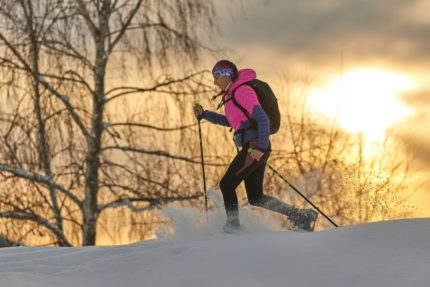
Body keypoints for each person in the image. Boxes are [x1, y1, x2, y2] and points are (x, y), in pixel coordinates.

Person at [194, 60, 318, 232]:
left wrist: (260, 148)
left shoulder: (243, 91)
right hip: (254, 146)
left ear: (226, 75)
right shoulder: (230, 97)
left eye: (216, 77)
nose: (214, 82)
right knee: (255, 197)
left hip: (255, 146)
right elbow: (230, 122)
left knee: (227, 185)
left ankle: (232, 227)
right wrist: (204, 115)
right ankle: (301, 215)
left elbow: (262, 119)